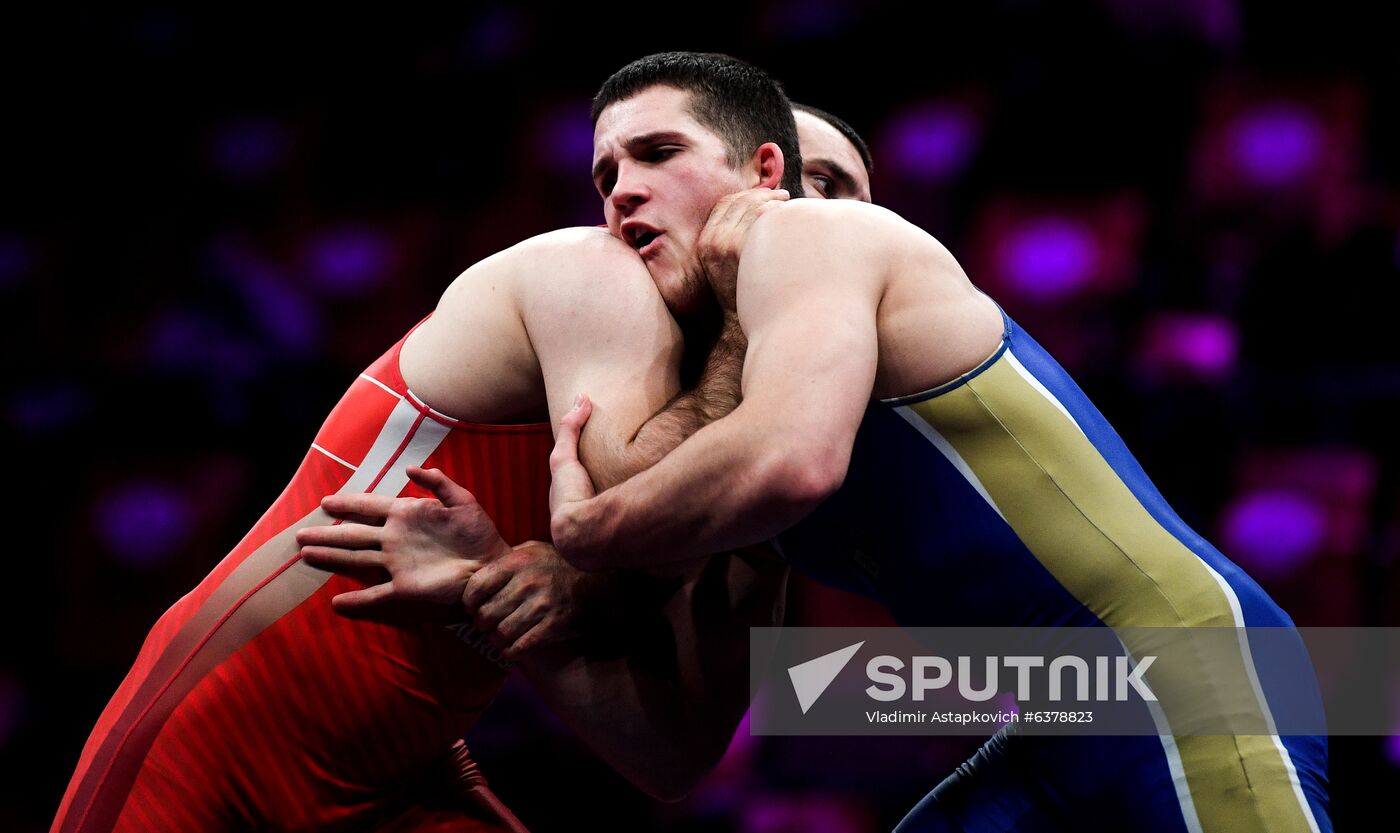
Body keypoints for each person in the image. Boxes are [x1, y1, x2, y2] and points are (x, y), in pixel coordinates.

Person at [532, 52, 1327, 833]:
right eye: (604, 176)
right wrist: (480, 592)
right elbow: (672, 751)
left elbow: (785, 463)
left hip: (1187, 669)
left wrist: (581, 533)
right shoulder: (732, 434)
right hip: (1063, 719)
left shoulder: (822, 243)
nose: (802, 205)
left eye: (828, 186)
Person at [50, 122, 800, 829]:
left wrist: (490, 589)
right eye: (611, 169)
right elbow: (649, 513)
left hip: (405, 774)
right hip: (218, 739)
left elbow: (676, 754)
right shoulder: (590, 276)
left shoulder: (795, 461)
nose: (624, 191)